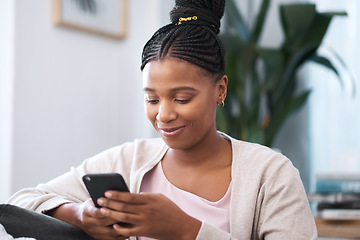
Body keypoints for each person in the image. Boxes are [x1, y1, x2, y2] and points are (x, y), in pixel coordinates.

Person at [6, 0, 317, 239]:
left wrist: (186, 230)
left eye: (182, 98)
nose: (164, 115)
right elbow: (20, 203)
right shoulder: (130, 159)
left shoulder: (271, 175)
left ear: (220, 89)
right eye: (151, 99)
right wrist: (79, 214)